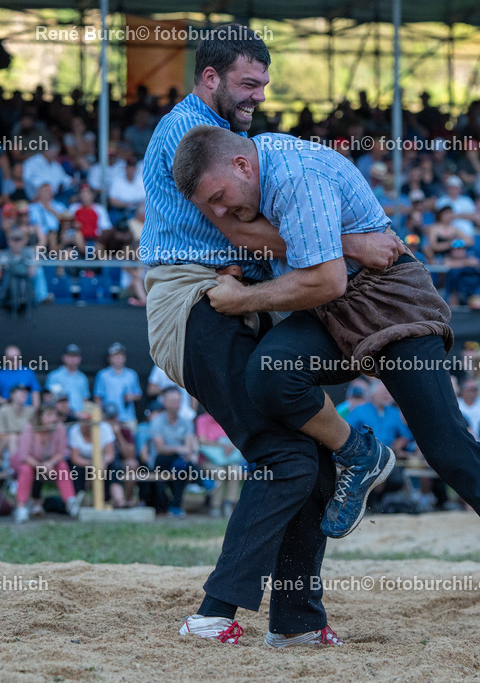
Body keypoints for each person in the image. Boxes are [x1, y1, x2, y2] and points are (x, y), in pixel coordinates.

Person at [171, 121, 480, 629]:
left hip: (389, 301)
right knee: (270, 376)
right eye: (206, 206)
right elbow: (241, 232)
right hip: (331, 311)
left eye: (218, 197)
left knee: (447, 444)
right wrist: (352, 242)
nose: (217, 213)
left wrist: (245, 297)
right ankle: (360, 454)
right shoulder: (246, 177)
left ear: (241, 165)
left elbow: (324, 279)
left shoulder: (296, 174)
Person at [141, 25, 401, 646]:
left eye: (263, 84)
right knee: (284, 457)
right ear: (210, 78)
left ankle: (298, 623)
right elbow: (244, 234)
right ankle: (211, 615)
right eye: (248, 83)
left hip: (228, 304)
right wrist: (355, 244)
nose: (258, 95)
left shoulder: (238, 143)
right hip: (195, 304)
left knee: (305, 458)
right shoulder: (193, 139)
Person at [11, 404, 79, 522]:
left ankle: (70, 502)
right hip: (30, 463)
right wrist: (41, 466)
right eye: (49, 415)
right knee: (26, 469)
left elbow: (62, 452)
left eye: (54, 415)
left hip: (50, 463)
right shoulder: (29, 428)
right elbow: (24, 456)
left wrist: (50, 463)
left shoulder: (60, 428)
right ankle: (21, 507)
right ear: (40, 416)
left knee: (62, 466)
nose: (53, 418)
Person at [149, 387, 197, 518]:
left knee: (181, 467)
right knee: (178, 464)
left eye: (179, 401)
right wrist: (179, 449)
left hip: (180, 462)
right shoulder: (157, 422)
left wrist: (186, 453)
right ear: (165, 403)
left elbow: (189, 445)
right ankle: (202, 480)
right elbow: (161, 449)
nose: (178, 404)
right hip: (161, 461)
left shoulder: (186, 422)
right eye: (174, 401)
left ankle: (175, 507)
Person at [93, 343, 142, 429]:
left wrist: (132, 397)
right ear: (110, 358)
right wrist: (101, 415)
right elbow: (98, 397)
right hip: (109, 419)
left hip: (128, 418)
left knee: (130, 441)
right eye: (115, 356)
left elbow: (139, 395)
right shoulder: (103, 375)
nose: (118, 358)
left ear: (124, 358)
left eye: (120, 355)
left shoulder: (132, 374)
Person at [0, 384, 36, 465]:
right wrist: (19, 437)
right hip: (3, 447)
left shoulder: (30, 411)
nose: (24, 394)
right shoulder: (3, 410)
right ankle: (15, 467)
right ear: (12, 395)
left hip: (25, 445)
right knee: (13, 438)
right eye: (21, 391)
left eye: (26, 392)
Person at [45, 344, 90, 415]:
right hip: (60, 416)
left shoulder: (82, 378)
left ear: (79, 358)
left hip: (79, 416)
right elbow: (48, 398)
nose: (72, 359)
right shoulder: (54, 376)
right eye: (70, 356)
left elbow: (85, 400)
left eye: (75, 356)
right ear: (64, 357)